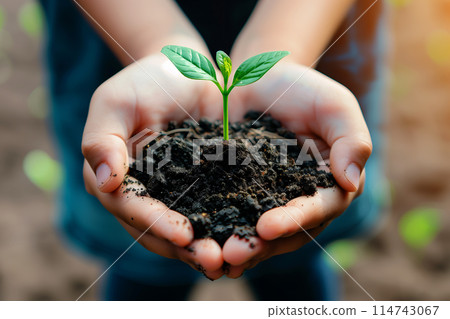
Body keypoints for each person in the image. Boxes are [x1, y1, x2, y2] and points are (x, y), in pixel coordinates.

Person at [39, 0, 387, 300]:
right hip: (115, 31)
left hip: (312, 21)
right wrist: (154, 41)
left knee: (296, 256)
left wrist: (283, 45)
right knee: (141, 266)